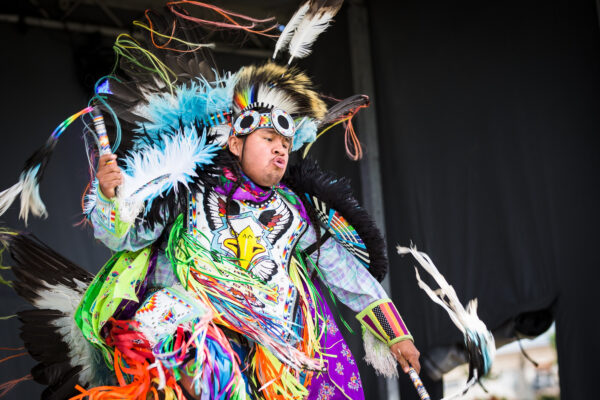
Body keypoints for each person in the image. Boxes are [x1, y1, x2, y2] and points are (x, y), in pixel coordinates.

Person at [0, 2, 421, 399]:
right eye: (268, 139)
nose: (280, 150)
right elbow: (124, 238)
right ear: (235, 143)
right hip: (198, 344)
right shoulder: (188, 193)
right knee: (184, 332)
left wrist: (396, 333)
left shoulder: (295, 211)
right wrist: (112, 198)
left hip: (276, 353)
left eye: (286, 143)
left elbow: (344, 272)